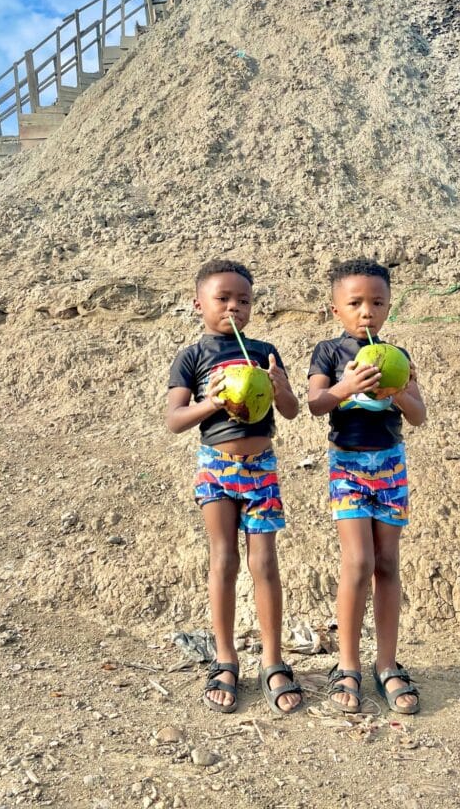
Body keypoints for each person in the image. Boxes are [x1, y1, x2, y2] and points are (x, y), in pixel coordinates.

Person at [166, 259, 303, 715]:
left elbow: (289, 411)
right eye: (222, 298)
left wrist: (280, 385)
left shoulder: (263, 350)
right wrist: (212, 401)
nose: (234, 307)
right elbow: (174, 420)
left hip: (261, 465)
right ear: (198, 303)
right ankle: (225, 659)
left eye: (243, 300)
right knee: (223, 559)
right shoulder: (193, 357)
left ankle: (273, 660)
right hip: (216, 466)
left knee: (264, 562)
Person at [307, 258, 427, 716]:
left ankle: (387, 663)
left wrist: (395, 391)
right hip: (348, 465)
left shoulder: (398, 356)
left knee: (388, 562)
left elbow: (419, 415)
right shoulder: (329, 352)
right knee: (357, 561)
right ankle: (348, 665)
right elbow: (315, 403)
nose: (366, 312)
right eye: (354, 303)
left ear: (389, 306)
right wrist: (346, 386)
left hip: (391, 464)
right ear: (336, 310)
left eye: (377, 303)